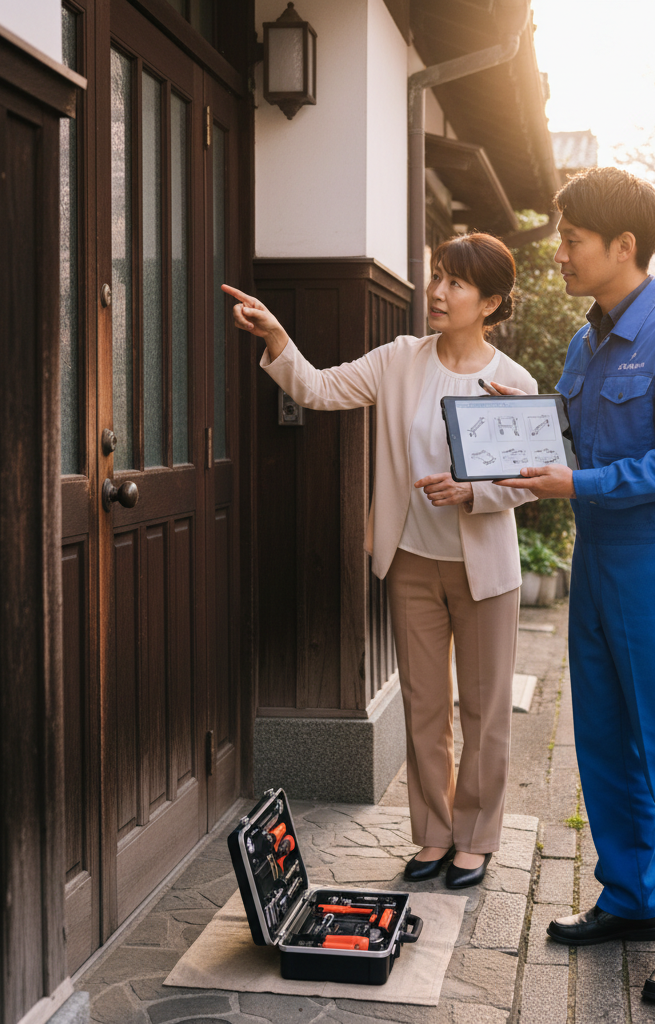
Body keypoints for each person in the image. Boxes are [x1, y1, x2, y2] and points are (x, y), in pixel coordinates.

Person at [222, 232, 536, 890]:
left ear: (491, 303)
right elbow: (318, 388)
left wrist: (473, 490)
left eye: (458, 284)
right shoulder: (400, 359)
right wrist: (277, 336)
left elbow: (532, 478)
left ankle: (475, 839)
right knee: (424, 705)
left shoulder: (512, 381)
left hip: (485, 574)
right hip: (413, 560)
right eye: (440, 276)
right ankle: (432, 835)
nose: (440, 291)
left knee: (483, 709)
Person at [497, 167, 655, 1004]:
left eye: (571, 240)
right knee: (603, 743)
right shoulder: (585, 343)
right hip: (597, 567)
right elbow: (564, 434)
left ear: (622, 247)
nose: (558, 253)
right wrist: (510, 426)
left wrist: (576, 487)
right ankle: (631, 899)